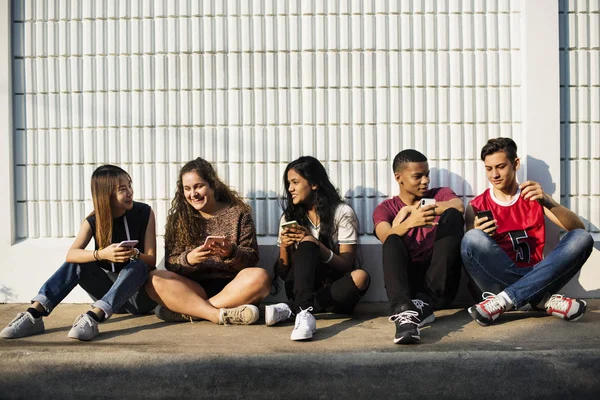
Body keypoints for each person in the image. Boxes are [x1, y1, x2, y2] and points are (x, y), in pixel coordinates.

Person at [1, 165, 158, 341]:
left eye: (129, 186)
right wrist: (101, 254)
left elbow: (151, 260)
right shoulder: (93, 221)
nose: (130, 192)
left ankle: (93, 317)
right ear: (106, 194)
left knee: (139, 265)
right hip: (109, 295)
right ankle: (34, 314)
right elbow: (71, 255)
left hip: (139, 297)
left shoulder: (144, 212)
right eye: (123, 189)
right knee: (79, 261)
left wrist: (134, 254)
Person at [461, 138, 593, 326]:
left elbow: (576, 228)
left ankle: (506, 300)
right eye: (489, 169)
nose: (494, 175)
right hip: (498, 281)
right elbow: (472, 256)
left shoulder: (532, 195)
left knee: (582, 237)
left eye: (500, 167)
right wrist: (479, 233)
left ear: (515, 164)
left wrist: (548, 201)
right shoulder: (477, 206)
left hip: (539, 273)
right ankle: (542, 300)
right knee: (472, 238)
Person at [145, 157, 271, 325]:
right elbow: (171, 262)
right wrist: (189, 259)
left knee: (261, 276)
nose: (193, 194)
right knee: (153, 278)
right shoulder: (178, 219)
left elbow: (252, 257)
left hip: (233, 287)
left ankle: (192, 311)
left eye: (198, 186)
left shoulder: (239, 214)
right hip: (192, 288)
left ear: (212, 184)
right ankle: (217, 315)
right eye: (187, 189)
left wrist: (231, 252)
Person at [266, 156, 370, 341]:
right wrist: (284, 246)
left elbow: (347, 265)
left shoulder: (341, 212)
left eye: (295, 182)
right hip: (301, 286)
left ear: (314, 184)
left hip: (333, 289)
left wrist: (316, 245)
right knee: (306, 244)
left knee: (361, 277)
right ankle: (304, 312)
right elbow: (283, 273)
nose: (290, 189)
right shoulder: (289, 217)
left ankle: (293, 309)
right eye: (288, 183)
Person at [373, 149, 465, 344]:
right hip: (409, 284)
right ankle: (405, 314)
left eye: (427, 174)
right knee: (392, 240)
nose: (425, 181)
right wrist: (409, 222)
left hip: (440, 280)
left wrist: (418, 208)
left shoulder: (441, 194)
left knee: (453, 216)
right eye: (418, 176)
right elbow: (385, 237)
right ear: (399, 178)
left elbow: (458, 206)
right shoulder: (385, 209)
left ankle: (426, 303)